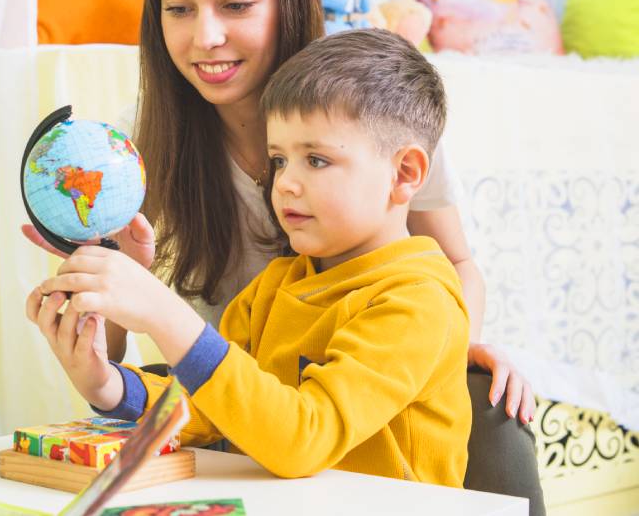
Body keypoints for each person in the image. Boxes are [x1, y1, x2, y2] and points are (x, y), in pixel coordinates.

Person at [21, 0, 544, 510]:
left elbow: (438, 279)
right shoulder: (135, 163)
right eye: (178, 7)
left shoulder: (374, 112)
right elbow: (215, 407)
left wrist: (442, 344)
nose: (203, 36)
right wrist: (105, 375)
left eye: (236, 4)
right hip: (249, 458)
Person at [27, 28, 472, 485]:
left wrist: (166, 315)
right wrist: (106, 384)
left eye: (315, 160)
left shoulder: (419, 301)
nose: (286, 184)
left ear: (405, 173)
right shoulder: (277, 285)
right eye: (279, 160)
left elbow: (303, 439)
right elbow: (213, 408)